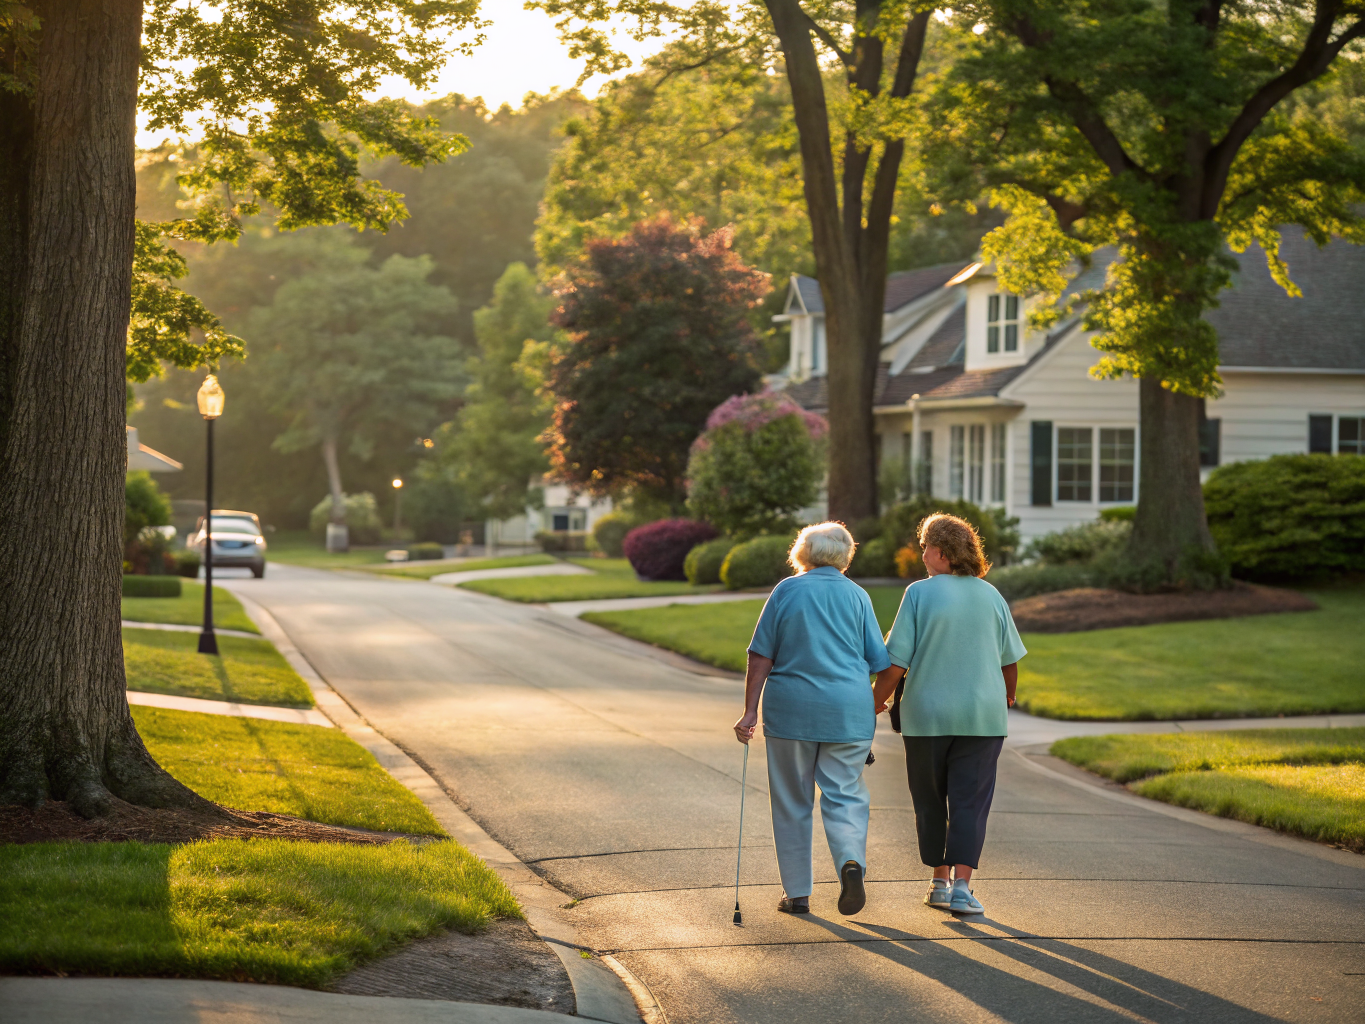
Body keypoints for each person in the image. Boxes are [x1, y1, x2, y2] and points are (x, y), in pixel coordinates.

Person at [733, 522, 902, 917]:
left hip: (791, 711)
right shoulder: (858, 596)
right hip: (848, 712)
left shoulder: (786, 591)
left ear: (803, 553)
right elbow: (880, 662)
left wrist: (750, 710)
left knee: (792, 801)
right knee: (845, 794)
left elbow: (760, 655)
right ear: (845, 555)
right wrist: (872, 702)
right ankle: (849, 863)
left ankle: (797, 894)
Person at [880, 513, 1027, 916]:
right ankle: (963, 887)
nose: (922, 553)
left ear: (941, 553)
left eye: (925, 546)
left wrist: (876, 700)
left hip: (926, 718)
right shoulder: (991, 595)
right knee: (970, 801)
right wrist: (1008, 696)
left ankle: (939, 882)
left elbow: (896, 662)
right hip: (982, 717)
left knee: (929, 800)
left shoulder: (918, 594)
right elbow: (1009, 661)